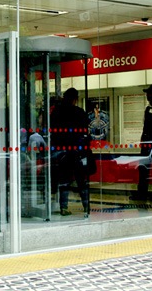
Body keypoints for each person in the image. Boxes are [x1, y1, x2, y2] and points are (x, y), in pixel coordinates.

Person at [50, 88, 92, 217]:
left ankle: (64, 207)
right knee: (81, 180)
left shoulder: (56, 112)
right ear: (75, 99)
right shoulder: (79, 112)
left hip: (61, 151)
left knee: (64, 179)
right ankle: (86, 206)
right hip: (77, 151)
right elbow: (85, 133)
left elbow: (52, 131)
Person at [131, 84, 152, 201]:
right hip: (146, 144)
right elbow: (145, 126)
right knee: (143, 168)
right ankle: (142, 193)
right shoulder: (147, 108)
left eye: (149, 93)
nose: (147, 96)